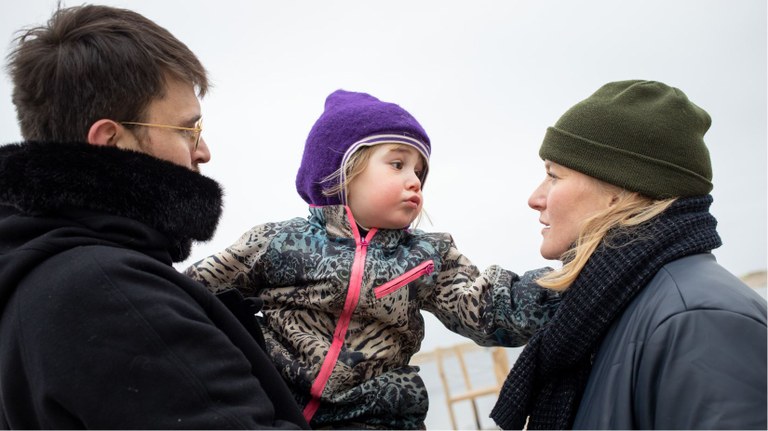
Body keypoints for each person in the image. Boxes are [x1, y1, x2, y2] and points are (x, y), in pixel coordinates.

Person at [0, 5, 308, 429]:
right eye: (188, 130)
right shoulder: (108, 294)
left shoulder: (39, 274)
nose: (203, 152)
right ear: (111, 142)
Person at [185, 89, 561, 429]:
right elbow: (192, 293)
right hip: (277, 406)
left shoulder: (427, 255)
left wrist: (564, 287)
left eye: (419, 171)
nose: (414, 180)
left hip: (377, 418)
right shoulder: (278, 241)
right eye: (397, 165)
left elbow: (485, 309)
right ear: (342, 171)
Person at [490, 80, 768, 430]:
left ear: (618, 192)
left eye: (553, 176)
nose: (535, 198)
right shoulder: (609, 306)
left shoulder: (698, 321)